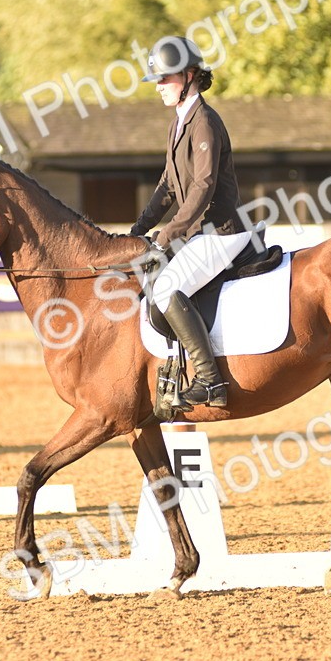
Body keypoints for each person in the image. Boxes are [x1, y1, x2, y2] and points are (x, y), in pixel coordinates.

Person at [129, 36, 250, 408]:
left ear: (190, 75)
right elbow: (168, 186)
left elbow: (203, 186)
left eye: (165, 80)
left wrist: (167, 234)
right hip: (197, 235)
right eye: (158, 81)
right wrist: (138, 228)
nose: (160, 88)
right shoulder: (179, 122)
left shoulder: (205, 121)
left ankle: (210, 380)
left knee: (166, 289)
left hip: (222, 233)